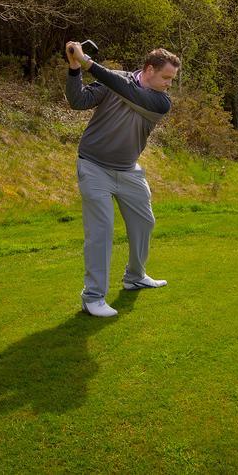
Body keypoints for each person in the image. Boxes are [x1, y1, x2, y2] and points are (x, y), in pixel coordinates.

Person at [65, 42, 180, 317]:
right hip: (93, 166)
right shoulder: (113, 80)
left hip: (129, 170)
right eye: (166, 77)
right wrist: (74, 69)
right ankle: (92, 297)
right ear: (149, 70)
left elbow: (126, 90)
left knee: (145, 222)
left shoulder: (160, 102)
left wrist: (89, 63)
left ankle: (135, 276)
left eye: (172, 80)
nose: (169, 84)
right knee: (101, 230)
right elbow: (77, 101)